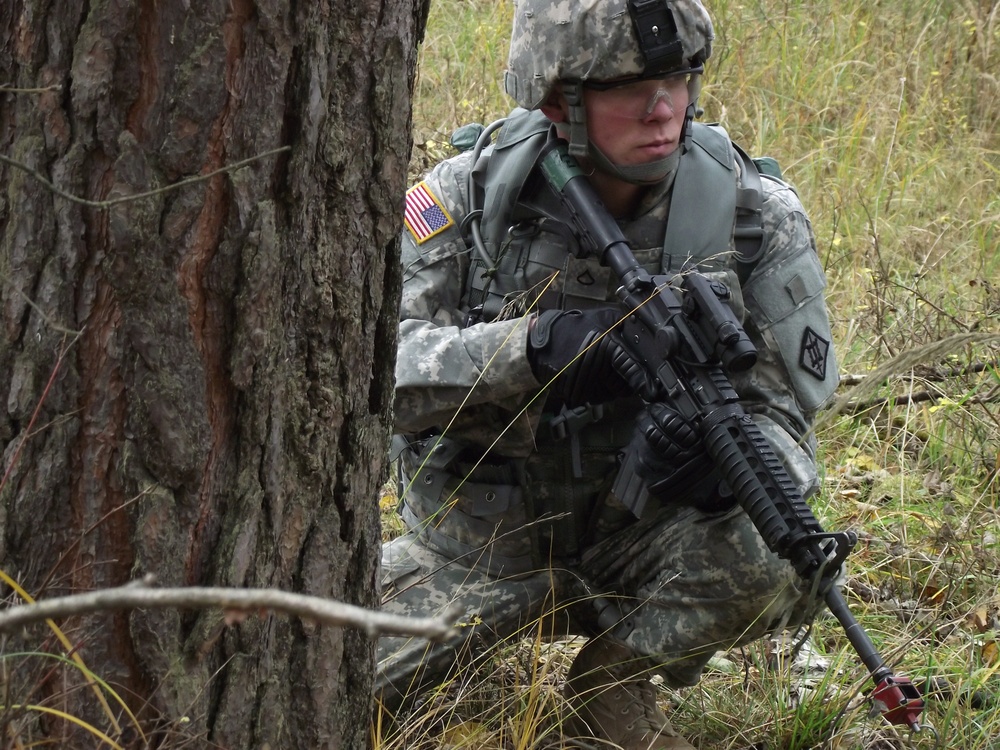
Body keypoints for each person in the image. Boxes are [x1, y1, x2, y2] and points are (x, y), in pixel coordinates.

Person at [378, 1, 840, 747]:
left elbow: (785, 414)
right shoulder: (464, 201)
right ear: (561, 100)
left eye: (676, 78)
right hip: (476, 551)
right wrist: (531, 350)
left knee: (783, 548)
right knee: (318, 680)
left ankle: (615, 678)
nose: (662, 107)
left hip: (644, 542)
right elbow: (376, 377)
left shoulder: (752, 217)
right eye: (628, 86)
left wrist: (724, 465)